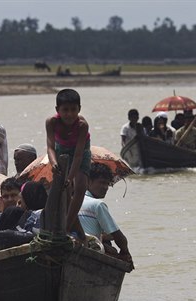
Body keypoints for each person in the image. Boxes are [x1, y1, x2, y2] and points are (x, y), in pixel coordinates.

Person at [45, 88, 90, 237]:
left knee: (80, 187)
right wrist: (54, 163)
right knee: (62, 190)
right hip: (61, 148)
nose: (69, 114)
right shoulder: (51, 122)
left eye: (73, 110)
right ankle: (75, 229)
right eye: (65, 110)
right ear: (58, 109)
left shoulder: (82, 125)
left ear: (79, 109)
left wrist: (70, 178)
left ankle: (67, 227)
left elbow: (78, 156)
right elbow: (50, 147)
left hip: (81, 150)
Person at [78, 163, 133, 265]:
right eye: (101, 183)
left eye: (107, 184)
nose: (105, 187)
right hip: (90, 253)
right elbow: (119, 237)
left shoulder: (72, 200)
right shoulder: (98, 205)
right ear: (88, 181)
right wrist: (125, 252)